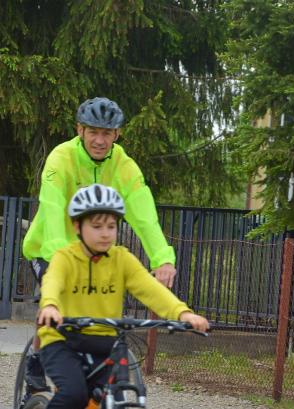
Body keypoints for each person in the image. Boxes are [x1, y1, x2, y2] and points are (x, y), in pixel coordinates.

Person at [14, 184, 209, 409]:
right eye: (97, 226)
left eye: (111, 226)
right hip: (63, 340)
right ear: (78, 227)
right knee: (73, 393)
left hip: (104, 342)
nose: (105, 233)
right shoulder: (65, 257)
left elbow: (151, 290)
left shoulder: (122, 260)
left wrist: (183, 313)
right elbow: (52, 283)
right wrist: (51, 306)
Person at [21, 97, 178, 392]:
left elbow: (144, 215)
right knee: (56, 300)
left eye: (107, 133)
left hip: (96, 251)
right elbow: (52, 206)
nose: (99, 140)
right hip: (49, 248)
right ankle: (37, 359)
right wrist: (59, 256)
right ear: (80, 130)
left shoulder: (124, 166)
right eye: (93, 132)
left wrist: (162, 258)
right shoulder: (61, 158)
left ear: (117, 134)